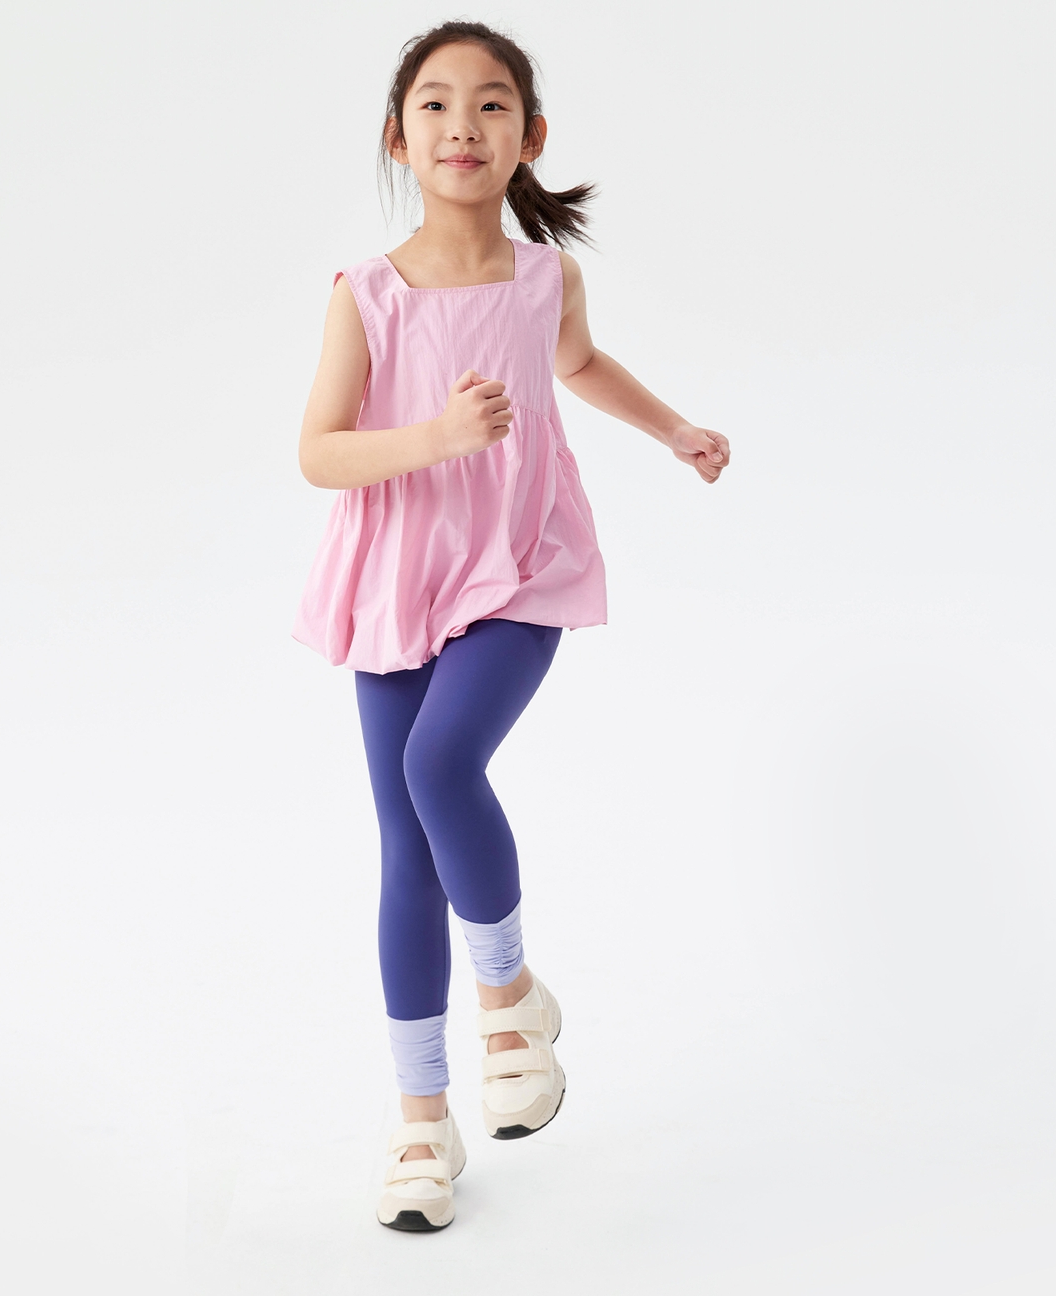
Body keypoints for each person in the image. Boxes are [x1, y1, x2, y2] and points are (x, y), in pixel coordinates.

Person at [294, 19, 730, 1231]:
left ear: (529, 137)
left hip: (522, 564)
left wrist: (676, 429)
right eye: (434, 105)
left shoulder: (547, 279)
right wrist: (436, 437)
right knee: (406, 842)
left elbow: (577, 364)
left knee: (440, 764)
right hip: (398, 577)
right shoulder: (367, 295)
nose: (462, 126)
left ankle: (505, 1004)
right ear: (398, 138)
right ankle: (422, 1122)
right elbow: (318, 452)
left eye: (491, 105)